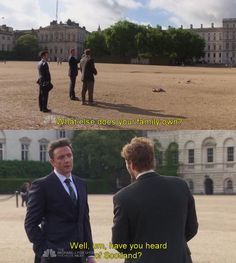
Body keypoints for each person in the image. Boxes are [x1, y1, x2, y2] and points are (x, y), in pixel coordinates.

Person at [112, 137, 198, 263]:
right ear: (153, 160)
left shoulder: (123, 197)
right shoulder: (180, 185)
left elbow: (120, 243)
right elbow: (192, 228)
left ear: (130, 164)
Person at [25, 139, 96, 263]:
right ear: (52, 162)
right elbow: (30, 224)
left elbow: (84, 221)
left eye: (69, 155)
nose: (67, 160)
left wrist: (90, 254)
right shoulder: (42, 186)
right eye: (61, 157)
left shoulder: (81, 184)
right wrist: (45, 251)